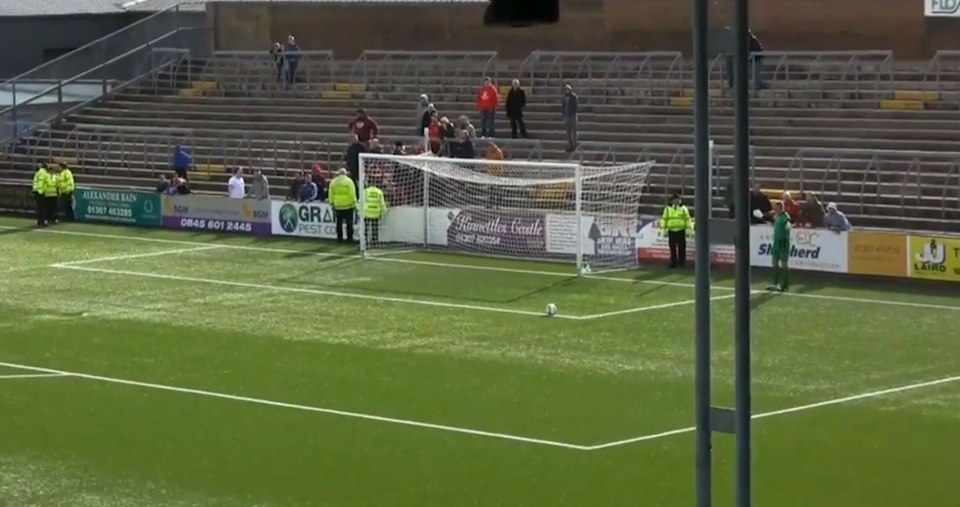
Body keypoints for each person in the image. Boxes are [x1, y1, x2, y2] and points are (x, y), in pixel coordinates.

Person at [660, 194, 693, 268]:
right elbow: (664, 220)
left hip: (681, 231)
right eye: (675, 200)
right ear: (672, 201)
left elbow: (687, 220)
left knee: (682, 247)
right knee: (672, 248)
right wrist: (664, 231)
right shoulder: (667, 209)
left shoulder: (684, 208)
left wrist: (688, 231)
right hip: (671, 231)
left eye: (678, 200)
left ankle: (682, 263)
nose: (677, 201)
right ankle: (673, 263)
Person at [328, 168, 358, 243]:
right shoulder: (349, 181)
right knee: (349, 223)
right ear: (345, 173)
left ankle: (339, 239)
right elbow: (352, 193)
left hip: (338, 206)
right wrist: (354, 203)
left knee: (339, 223)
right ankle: (349, 239)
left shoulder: (333, 182)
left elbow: (330, 193)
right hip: (348, 205)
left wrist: (331, 202)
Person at [768, 201, 791, 292]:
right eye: (776, 208)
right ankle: (775, 283)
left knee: (784, 264)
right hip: (776, 242)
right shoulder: (776, 216)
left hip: (783, 242)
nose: (776, 210)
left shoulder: (785, 216)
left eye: (778, 208)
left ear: (782, 208)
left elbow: (787, 224)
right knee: (774, 262)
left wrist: (786, 227)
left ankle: (785, 285)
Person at [363, 179, 388, 247]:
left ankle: (365, 241)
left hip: (367, 213)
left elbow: (361, 201)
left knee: (366, 228)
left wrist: (359, 210)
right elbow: (382, 203)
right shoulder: (379, 192)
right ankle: (374, 242)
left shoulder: (366, 191)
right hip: (376, 213)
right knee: (375, 228)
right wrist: (384, 211)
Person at [561, 85, 579, 152]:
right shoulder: (564, 97)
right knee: (568, 133)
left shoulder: (574, 97)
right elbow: (562, 106)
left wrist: (572, 113)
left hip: (572, 116)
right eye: (566, 89)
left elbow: (575, 107)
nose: (567, 91)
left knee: (574, 132)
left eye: (568, 89)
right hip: (566, 116)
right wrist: (563, 114)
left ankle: (575, 145)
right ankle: (569, 145)